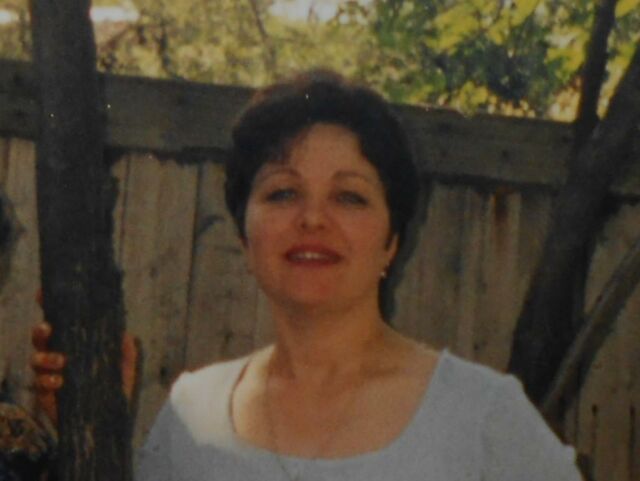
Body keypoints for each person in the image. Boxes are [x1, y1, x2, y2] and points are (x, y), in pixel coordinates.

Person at [32, 70, 583, 480]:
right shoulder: (191, 413)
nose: (313, 219)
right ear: (245, 236)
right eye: (282, 193)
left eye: (349, 196)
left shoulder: (481, 416)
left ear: (392, 240)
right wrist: (86, 426)